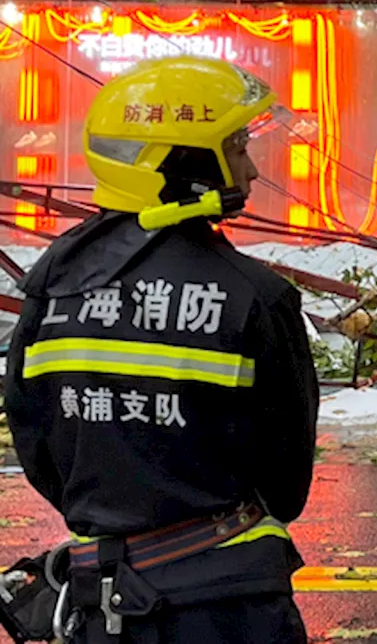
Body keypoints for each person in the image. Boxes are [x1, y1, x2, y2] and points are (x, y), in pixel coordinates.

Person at [3, 57, 318, 643]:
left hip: (107, 605)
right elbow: (286, 484)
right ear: (184, 162)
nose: (249, 170)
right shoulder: (257, 297)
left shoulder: (49, 288)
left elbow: (40, 448)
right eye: (235, 148)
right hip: (233, 609)